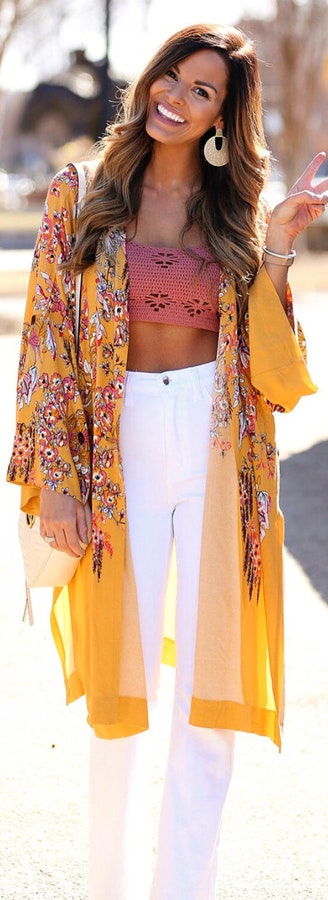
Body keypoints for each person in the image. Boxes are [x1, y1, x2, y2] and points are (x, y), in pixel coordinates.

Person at [7, 22, 328, 900]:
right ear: (150, 78)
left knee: (208, 696)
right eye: (171, 79)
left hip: (222, 448)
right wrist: (60, 477)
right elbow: (43, 343)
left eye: (202, 93)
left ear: (226, 117)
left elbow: (275, 368)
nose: (175, 100)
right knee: (122, 699)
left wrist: (277, 243)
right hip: (120, 451)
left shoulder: (240, 201)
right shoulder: (82, 191)